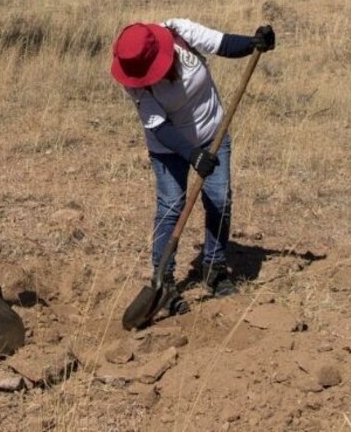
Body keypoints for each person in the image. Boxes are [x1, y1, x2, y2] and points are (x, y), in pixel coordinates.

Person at [111, 19, 275, 315]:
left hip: (213, 131)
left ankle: (214, 268)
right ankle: (165, 281)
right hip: (168, 146)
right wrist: (192, 155)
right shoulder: (132, 77)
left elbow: (221, 43)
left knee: (220, 199)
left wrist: (253, 43)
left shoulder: (179, 32)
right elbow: (158, 125)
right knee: (171, 206)